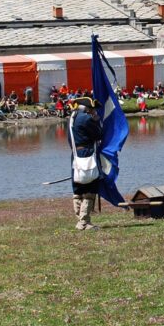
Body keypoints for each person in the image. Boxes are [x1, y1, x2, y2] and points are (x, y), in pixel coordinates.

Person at [69, 97, 103, 231]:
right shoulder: (86, 118)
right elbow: (99, 134)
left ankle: (80, 220)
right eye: (91, 109)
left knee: (78, 190)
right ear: (87, 109)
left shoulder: (72, 119)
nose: (93, 111)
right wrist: (96, 121)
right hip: (87, 155)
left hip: (75, 155)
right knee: (90, 189)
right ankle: (84, 222)